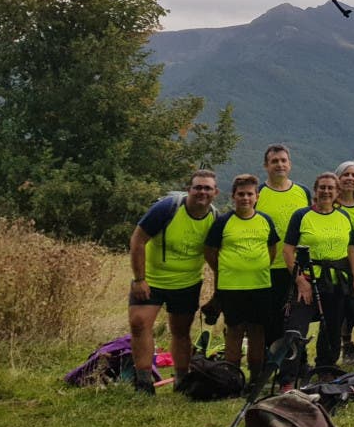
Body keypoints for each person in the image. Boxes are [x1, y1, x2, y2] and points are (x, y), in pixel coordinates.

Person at [127, 169, 218, 395]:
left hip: (187, 283)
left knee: (180, 331)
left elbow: (216, 258)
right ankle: (143, 382)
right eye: (198, 187)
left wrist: (218, 294)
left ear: (215, 192)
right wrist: (139, 279)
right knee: (139, 324)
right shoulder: (166, 209)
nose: (202, 192)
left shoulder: (215, 218)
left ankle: (181, 380)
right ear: (189, 189)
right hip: (153, 280)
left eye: (207, 188)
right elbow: (138, 240)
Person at [280, 172, 354, 388]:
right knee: (295, 328)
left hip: (336, 280)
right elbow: (288, 250)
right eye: (322, 187)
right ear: (315, 190)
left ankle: (326, 369)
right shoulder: (301, 215)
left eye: (330, 188)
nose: (326, 191)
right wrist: (299, 281)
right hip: (307, 279)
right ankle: (288, 378)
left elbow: (351, 249)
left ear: (337, 192)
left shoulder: (343, 217)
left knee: (332, 328)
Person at [204, 174, 279, 379]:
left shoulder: (265, 220)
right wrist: (226, 269)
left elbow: (272, 249)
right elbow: (210, 251)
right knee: (235, 331)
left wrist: (258, 266)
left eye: (249, 194)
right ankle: (232, 377)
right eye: (241, 194)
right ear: (233, 196)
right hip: (231, 287)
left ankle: (255, 376)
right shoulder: (223, 222)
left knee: (257, 332)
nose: (245, 198)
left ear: (257, 196)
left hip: (260, 285)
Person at [256, 144, 312, 357]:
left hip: (297, 268)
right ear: (266, 165)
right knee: (270, 320)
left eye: (283, 160)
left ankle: (296, 364)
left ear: (290, 164)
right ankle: (268, 364)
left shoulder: (302, 192)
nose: (279, 164)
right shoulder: (258, 193)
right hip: (268, 267)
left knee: (297, 321)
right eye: (274, 161)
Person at [334, 161, 354, 364]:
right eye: (345, 174)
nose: (349, 178)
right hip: (340, 264)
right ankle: (346, 347)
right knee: (344, 309)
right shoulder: (332, 206)